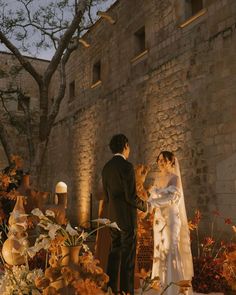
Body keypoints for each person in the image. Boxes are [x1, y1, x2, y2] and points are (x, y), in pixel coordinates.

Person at [102, 134, 147, 295]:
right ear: (125, 146)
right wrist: (145, 206)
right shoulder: (127, 167)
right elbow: (131, 196)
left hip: (112, 217)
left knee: (114, 253)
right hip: (127, 219)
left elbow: (106, 197)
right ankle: (127, 292)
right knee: (128, 258)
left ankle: (111, 288)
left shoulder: (106, 167)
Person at [148, 151, 193, 295]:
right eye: (159, 160)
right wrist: (146, 205)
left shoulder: (175, 178)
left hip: (171, 218)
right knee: (159, 249)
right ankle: (159, 286)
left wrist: (152, 203)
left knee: (170, 248)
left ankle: (174, 288)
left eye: (163, 160)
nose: (160, 162)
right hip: (158, 219)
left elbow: (172, 198)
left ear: (171, 162)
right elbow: (150, 198)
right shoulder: (157, 178)